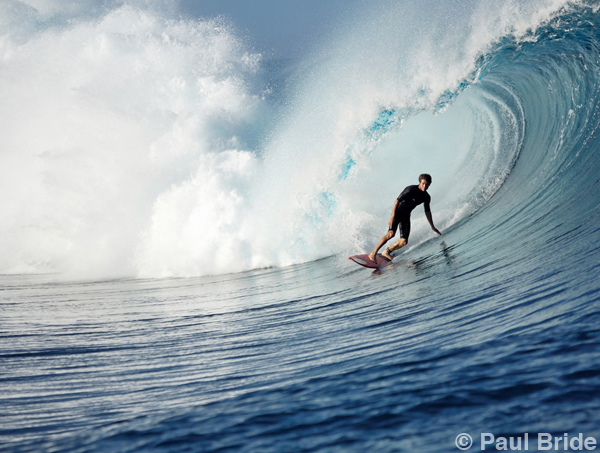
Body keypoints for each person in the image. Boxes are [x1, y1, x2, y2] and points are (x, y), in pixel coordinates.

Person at [368, 173, 441, 263]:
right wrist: (392, 217)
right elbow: (396, 201)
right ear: (419, 182)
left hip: (406, 216)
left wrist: (432, 226)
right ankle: (373, 253)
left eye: (427, 184)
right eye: (423, 183)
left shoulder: (426, 197)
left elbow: (427, 211)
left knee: (404, 241)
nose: (424, 186)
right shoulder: (410, 189)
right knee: (391, 234)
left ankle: (386, 252)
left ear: (430, 184)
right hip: (397, 213)